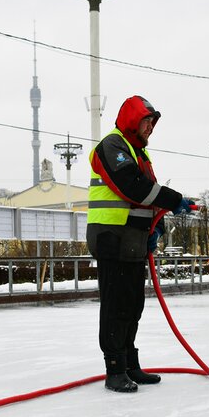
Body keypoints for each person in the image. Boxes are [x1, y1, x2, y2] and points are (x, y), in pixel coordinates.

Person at [86, 95, 194, 393]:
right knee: (116, 306)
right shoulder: (112, 146)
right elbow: (132, 187)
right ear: (133, 120)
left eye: (152, 123)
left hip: (132, 241)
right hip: (111, 238)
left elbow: (149, 198)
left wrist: (157, 227)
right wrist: (175, 200)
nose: (150, 128)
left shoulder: (139, 154)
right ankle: (114, 369)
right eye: (147, 121)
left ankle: (130, 364)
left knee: (133, 306)